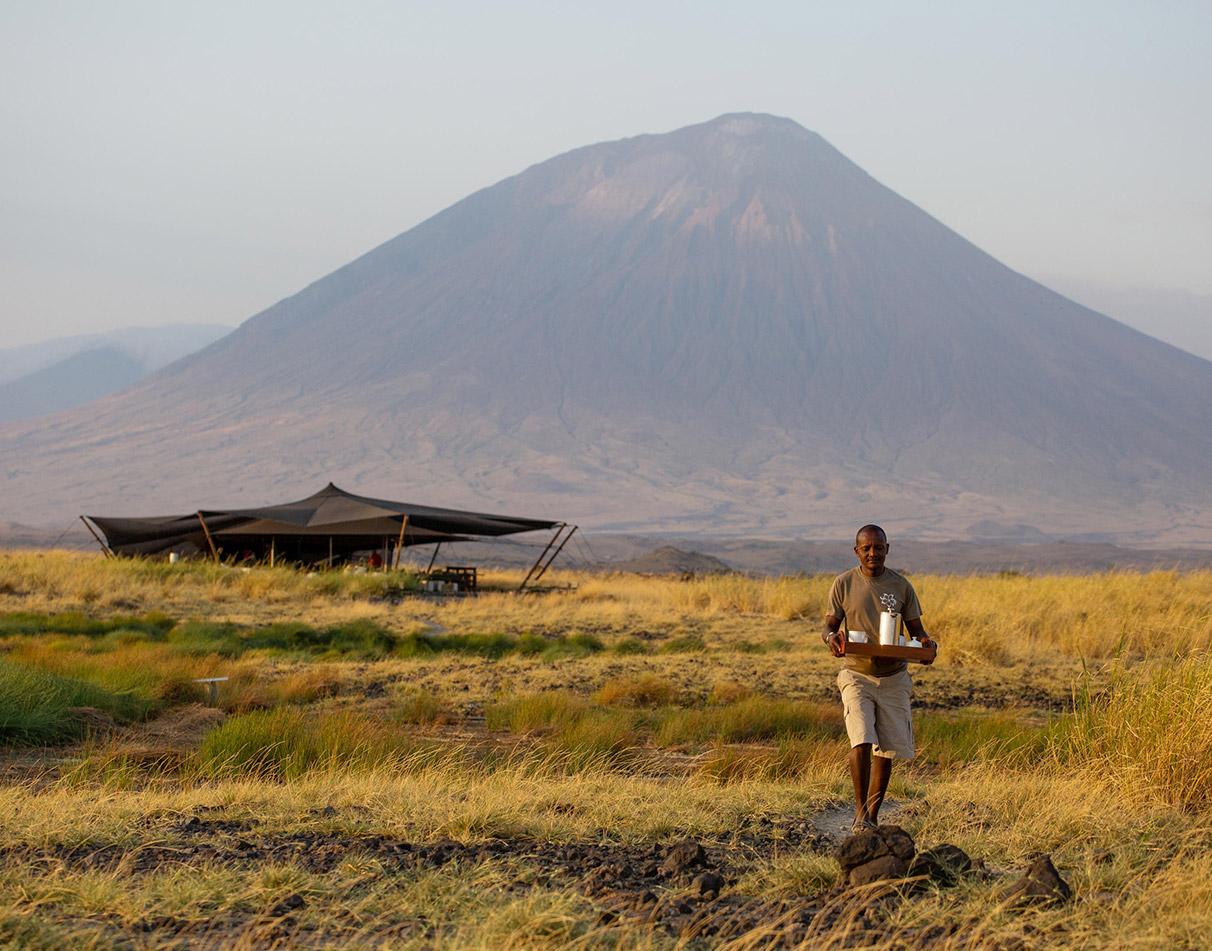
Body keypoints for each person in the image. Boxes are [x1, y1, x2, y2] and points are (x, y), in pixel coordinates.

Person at [822, 524, 936, 834]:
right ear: (856, 551)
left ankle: (872, 815)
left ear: (887, 548)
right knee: (861, 739)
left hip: (894, 677)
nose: (873, 553)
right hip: (856, 673)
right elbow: (829, 627)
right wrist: (832, 638)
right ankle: (859, 813)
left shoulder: (901, 586)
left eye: (879, 547)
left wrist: (927, 647)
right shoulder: (843, 584)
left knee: (885, 749)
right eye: (867, 548)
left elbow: (918, 632)